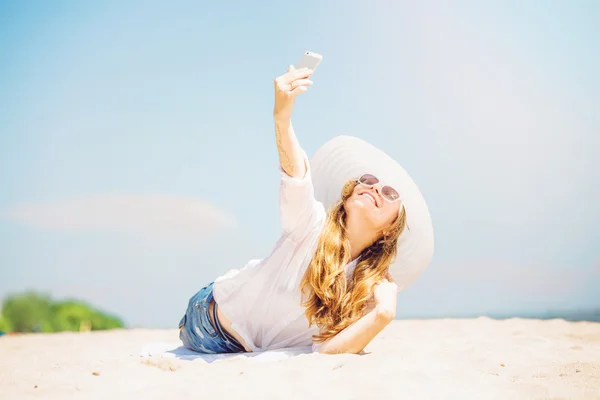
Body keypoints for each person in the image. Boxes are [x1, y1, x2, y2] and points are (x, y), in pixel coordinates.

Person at [178, 65, 434, 355]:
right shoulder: (311, 223)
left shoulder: (369, 288)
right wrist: (282, 118)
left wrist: (382, 314)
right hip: (209, 323)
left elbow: (327, 349)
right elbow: (296, 176)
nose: (375, 188)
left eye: (389, 193)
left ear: (390, 229)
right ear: (348, 196)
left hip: (246, 348)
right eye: (369, 180)